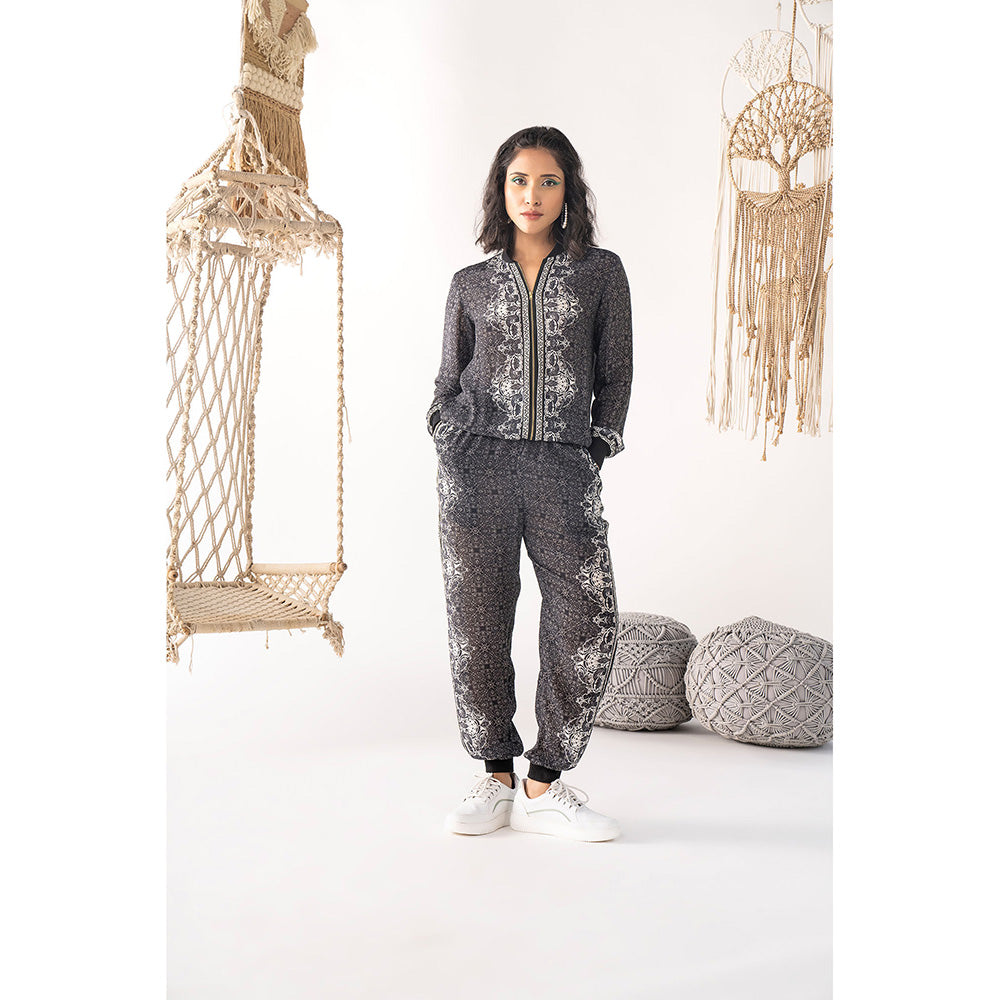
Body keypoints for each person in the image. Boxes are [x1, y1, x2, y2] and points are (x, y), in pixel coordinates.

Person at [426, 126, 633, 842]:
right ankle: (495, 776)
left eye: (548, 180)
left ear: (569, 190)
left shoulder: (600, 273)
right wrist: (449, 436)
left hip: (561, 466)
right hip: (475, 466)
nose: (532, 194)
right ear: (501, 189)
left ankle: (545, 782)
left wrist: (595, 446)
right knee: (478, 619)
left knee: (586, 613)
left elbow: (616, 372)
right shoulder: (471, 284)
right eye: (519, 179)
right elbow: (446, 382)